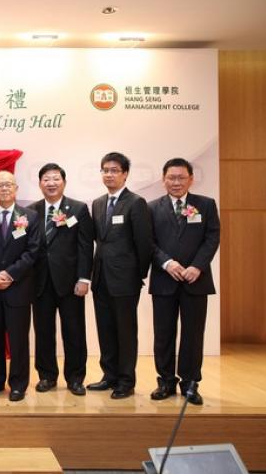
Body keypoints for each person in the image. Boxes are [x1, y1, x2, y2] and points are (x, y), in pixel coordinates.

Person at [148, 158, 220, 405]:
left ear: (191, 178)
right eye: (171, 177)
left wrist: (197, 267)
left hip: (195, 281)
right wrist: (168, 263)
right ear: (163, 179)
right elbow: (148, 242)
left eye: (181, 177)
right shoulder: (151, 207)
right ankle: (166, 381)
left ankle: (190, 383)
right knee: (163, 333)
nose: (176, 182)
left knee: (193, 334)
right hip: (163, 279)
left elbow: (212, 238)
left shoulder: (206, 205)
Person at [88, 152, 153, 399]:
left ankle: (126, 381)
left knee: (125, 331)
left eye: (114, 170)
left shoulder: (136, 203)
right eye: (105, 170)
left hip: (125, 281)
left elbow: (144, 244)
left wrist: (137, 275)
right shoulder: (97, 203)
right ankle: (110, 375)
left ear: (125, 174)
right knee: (105, 329)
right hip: (101, 278)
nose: (109, 174)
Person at [0, 171, 41, 402]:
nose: (4, 188)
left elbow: (32, 252)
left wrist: (10, 274)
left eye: (8, 184)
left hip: (19, 288)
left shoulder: (30, 217)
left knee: (18, 338)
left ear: (16, 188)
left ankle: (18, 383)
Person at [29, 163, 93, 396]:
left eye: (55, 178)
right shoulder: (30, 211)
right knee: (43, 332)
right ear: (40, 183)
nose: (51, 183)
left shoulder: (78, 209)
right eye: (46, 179)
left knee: (74, 332)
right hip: (40, 283)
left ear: (63, 182)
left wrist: (84, 278)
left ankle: (75, 378)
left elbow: (86, 246)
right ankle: (46, 376)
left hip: (70, 283)